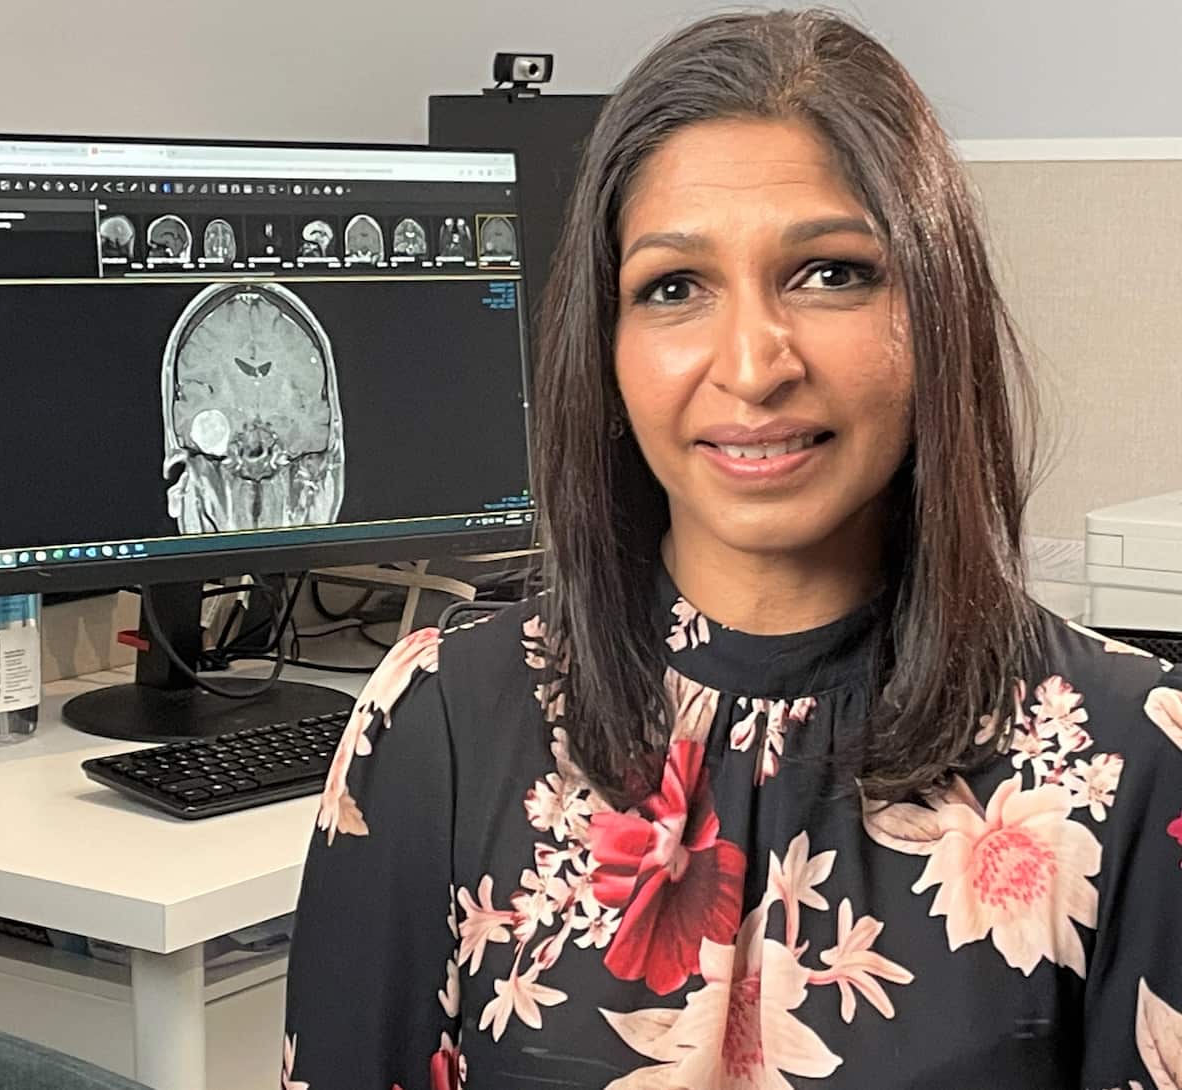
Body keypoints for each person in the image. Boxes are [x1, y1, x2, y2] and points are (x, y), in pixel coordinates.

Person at [282, 9, 1182, 1089]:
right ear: (603, 349)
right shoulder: (440, 720)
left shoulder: (1127, 753)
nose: (752, 365)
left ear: (933, 310)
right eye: (673, 288)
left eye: (828, 273)